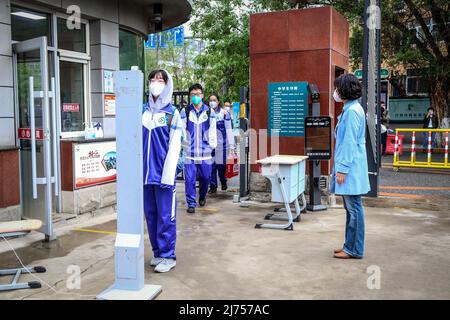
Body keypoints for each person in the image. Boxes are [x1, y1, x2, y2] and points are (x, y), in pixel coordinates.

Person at [143, 69, 183, 273]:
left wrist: (169, 174)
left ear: (167, 84)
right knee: (151, 215)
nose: (155, 82)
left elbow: (176, 145)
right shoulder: (142, 111)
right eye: (153, 79)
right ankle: (158, 252)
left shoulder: (172, 113)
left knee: (166, 216)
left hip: (163, 175)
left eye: (160, 79)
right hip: (145, 175)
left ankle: (168, 256)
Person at [331, 73, 370, 259]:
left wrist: (342, 169)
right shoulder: (350, 109)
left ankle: (354, 249)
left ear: (345, 90)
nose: (335, 92)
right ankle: (349, 245)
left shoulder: (353, 111)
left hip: (350, 168)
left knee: (354, 209)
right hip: (350, 167)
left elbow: (349, 142)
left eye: (337, 88)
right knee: (351, 209)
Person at [181, 83, 217, 214]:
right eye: (193, 94)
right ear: (190, 96)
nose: (196, 96)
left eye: (198, 94)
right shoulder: (185, 111)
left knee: (205, 177)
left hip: (205, 152)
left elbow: (213, 130)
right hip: (189, 153)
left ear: (202, 95)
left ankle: (202, 196)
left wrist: (212, 145)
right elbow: (182, 130)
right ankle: (191, 203)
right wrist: (183, 147)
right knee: (189, 180)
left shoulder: (209, 111)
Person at [208, 94, 235, 194]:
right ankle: (213, 186)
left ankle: (223, 181)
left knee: (221, 166)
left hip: (222, 146)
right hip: (210, 146)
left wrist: (232, 146)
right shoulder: (206, 113)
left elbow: (229, 130)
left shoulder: (224, 114)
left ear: (218, 102)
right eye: (210, 100)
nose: (212, 102)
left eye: (214, 100)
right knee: (211, 166)